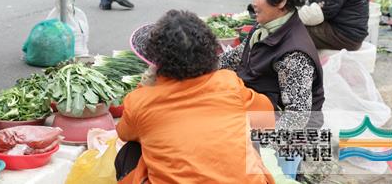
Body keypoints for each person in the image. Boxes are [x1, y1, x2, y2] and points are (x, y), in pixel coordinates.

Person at [116, 10, 276, 184]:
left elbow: (124, 133)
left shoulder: (141, 100)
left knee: (129, 152)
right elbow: (266, 117)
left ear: (157, 61)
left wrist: (145, 87)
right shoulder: (228, 83)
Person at [220, 0, 325, 132]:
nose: (254, 3)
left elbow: (296, 120)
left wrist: (253, 143)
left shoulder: (294, 55)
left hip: (275, 127)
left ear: (281, 1)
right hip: (256, 105)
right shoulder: (264, 27)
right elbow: (235, 57)